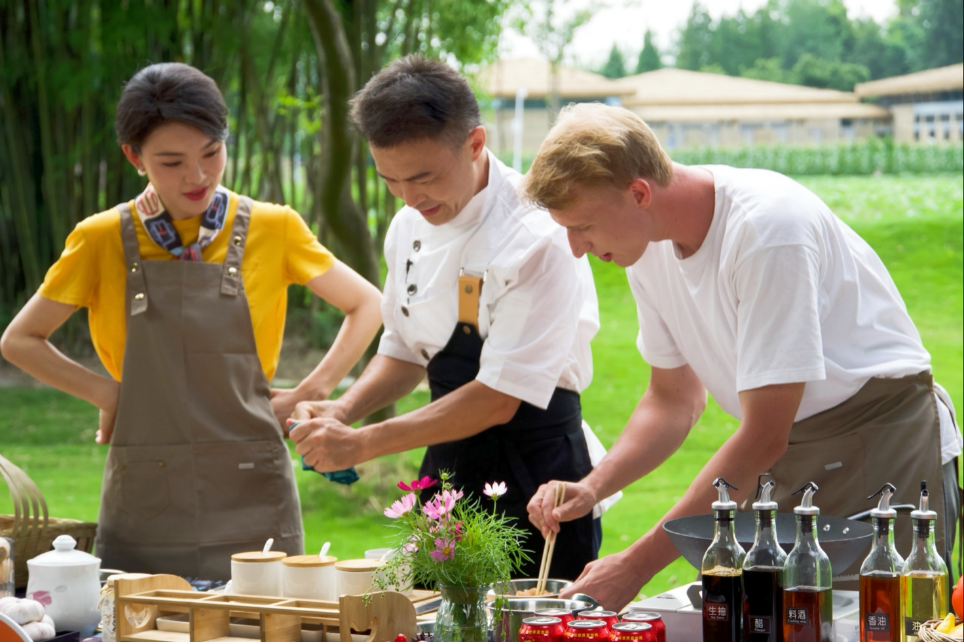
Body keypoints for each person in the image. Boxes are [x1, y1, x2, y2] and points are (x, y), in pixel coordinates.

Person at [523, 103, 962, 609]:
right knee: (778, 620)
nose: (577, 249)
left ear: (639, 193)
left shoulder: (766, 231)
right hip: (782, 455)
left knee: (883, 623)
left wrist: (636, 566)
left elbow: (762, 436)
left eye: (583, 227)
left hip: (880, 441)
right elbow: (672, 399)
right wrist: (593, 486)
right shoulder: (647, 245)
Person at [0, 63, 383, 581]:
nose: (197, 176)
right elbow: (20, 340)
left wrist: (313, 390)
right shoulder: (100, 239)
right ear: (134, 158)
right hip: (146, 494)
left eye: (211, 153)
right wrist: (109, 395)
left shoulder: (275, 228)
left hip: (254, 488)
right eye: (172, 161)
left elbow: (368, 305)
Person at [289, 56, 618, 580]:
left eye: (423, 177)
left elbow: (498, 396)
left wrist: (365, 443)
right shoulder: (407, 226)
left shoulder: (536, 235)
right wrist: (343, 411)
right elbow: (403, 348)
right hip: (446, 464)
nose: (410, 198)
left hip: (538, 472)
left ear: (475, 143)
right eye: (391, 180)